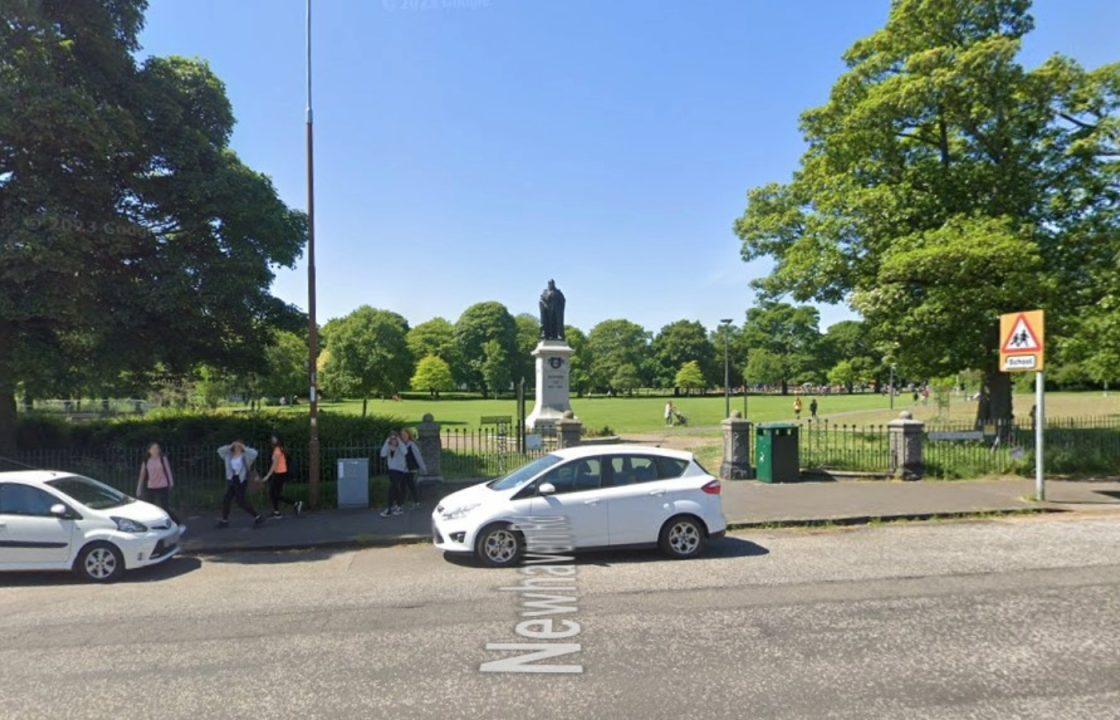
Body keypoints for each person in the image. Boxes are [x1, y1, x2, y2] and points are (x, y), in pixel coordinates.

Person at [216, 440, 263, 528]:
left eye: (238, 446)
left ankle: (258, 516)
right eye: (235, 446)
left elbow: (255, 453)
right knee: (226, 499)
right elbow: (219, 450)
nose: (237, 448)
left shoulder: (246, 456)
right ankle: (224, 520)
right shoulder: (228, 455)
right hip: (232, 479)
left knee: (241, 501)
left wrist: (243, 446)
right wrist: (230, 445)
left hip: (241, 480)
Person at [261, 435, 303, 518]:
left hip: (279, 474)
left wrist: (267, 476)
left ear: (278, 440)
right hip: (280, 473)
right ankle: (277, 512)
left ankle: (295, 503)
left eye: (274, 438)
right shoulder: (280, 449)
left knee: (274, 493)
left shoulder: (277, 450)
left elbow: (274, 465)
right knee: (274, 493)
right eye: (272, 438)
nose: (272, 440)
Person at [136, 442, 178, 524]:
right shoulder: (146, 460)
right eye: (153, 448)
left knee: (165, 507)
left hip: (162, 485)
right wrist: (139, 487)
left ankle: (177, 523)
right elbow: (142, 474)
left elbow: (168, 470)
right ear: (149, 450)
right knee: (149, 507)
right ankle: (151, 524)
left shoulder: (162, 458)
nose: (155, 450)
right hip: (150, 486)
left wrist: (171, 482)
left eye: (157, 448)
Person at [379, 432, 408, 517]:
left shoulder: (401, 447)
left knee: (392, 487)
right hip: (391, 470)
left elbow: (405, 452)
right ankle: (399, 507)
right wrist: (386, 442)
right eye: (392, 439)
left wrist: (399, 440)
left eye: (395, 439)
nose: (393, 441)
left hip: (399, 470)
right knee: (396, 488)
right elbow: (382, 454)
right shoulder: (388, 447)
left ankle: (389, 508)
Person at [399, 429, 428, 510]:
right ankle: (401, 504)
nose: (403, 436)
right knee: (403, 486)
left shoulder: (412, 445)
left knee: (411, 485)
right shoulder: (400, 446)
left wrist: (423, 468)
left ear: (408, 435)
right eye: (402, 435)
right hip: (402, 470)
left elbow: (418, 457)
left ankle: (416, 502)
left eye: (405, 435)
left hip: (410, 469)